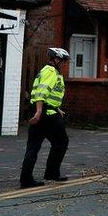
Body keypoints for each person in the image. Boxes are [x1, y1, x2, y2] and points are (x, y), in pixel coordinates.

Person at [19, 47, 70, 188]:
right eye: (64, 61)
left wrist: (56, 107)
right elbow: (41, 93)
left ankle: (26, 179)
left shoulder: (46, 71)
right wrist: (39, 112)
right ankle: (52, 173)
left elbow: (43, 93)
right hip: (47, 115)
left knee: (33, 146)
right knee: (61, 142)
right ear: (57, 60)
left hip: (47, 110)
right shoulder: (51, 72)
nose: (65, 64)